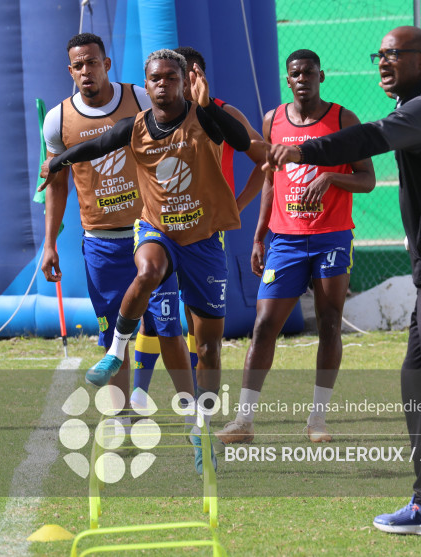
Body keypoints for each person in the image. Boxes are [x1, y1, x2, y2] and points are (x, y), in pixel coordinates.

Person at [258, 27, 421, 545]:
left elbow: (370, 138)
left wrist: (303, 150)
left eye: (393, 55)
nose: (382, 62)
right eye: (379, 54)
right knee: (417, 383)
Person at [41, 49, 251, 473]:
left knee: (208, 348)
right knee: (149, 270)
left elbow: (244, 143)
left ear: (184, 82)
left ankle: (201, 423)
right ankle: (116, 352)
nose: (163, 84)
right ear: (147, 82)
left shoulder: (204, 117)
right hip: (157, 230)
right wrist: (57, 160)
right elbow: (94, 145)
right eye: (156, 78)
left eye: (171, 77)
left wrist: (208, 105)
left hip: (203, 240)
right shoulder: (135, 126)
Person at [216, 49, 375, 445]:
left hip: (331, 237)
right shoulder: (273, 120)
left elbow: (367, 179)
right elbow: (270, 180)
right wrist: (259, 236)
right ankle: (244, 420)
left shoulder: (344, 120)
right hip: (284, 240)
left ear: (322, 76)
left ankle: (317, 419)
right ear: (287, 80)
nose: (302, 79)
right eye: (295, 74)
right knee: (264, 324)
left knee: (330, 323)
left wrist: (332, 179)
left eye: (309, 72)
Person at [38, 33, 194, 425]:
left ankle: (192, 415)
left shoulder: (140, 99)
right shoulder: (57, 120)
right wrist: (49, 243)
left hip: (150, 237)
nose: (86, 71)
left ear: (106, 64)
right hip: (101, 243)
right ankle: (121, 418)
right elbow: (56, 183)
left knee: (168, 328)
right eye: (78, 65)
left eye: (92, 62)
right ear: (70, 71)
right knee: (113, 339)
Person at [130, 45, 267, 411]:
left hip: (204, 231)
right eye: (172, 76)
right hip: (162, 229)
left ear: (199, 77)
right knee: (158, 314)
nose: (179, 84)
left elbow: (263, 159)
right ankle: (139, 396)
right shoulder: (153, 118)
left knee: (200, 325)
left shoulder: (221, 113)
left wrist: (236, 205)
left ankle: (199, 411)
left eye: (188, 76)